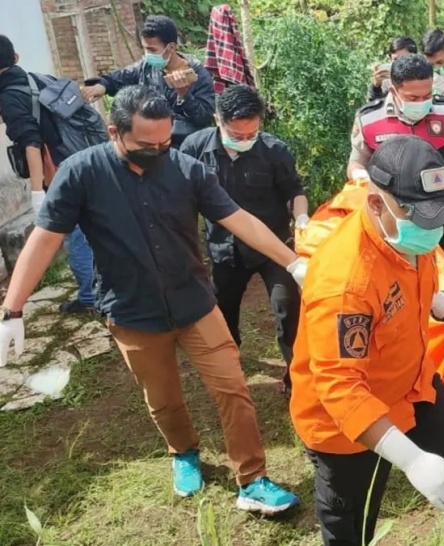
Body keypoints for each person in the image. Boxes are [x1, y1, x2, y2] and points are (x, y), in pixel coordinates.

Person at [0, 85, 306, 513]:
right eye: (146, 145)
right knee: (162, 398)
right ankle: (183, 454)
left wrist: (293, 264)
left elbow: (239, 219)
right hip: (132, 311)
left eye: (165, 142)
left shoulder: (186, 169)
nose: (158, 151)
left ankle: (252, 479)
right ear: (114, 132)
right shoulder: (80, 174)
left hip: (195, 302)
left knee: (233, 387)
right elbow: (45, 239)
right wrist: (13, 308)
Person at [290, 135, 444, 546]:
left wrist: (435, 301)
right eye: (420, 218)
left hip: (412, 383)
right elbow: (341, 387)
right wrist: (413, 460)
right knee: (353, 519)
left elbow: (404, 282)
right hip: (348, 417)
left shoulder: (404, 233)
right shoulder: (345, 284)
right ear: (376, 204)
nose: (432, 231)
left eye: (439, 218)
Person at [180, 84, 306, 396]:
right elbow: (179, 196)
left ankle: (296, 377)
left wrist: (301, 219)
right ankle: (229, 369)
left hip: (274, 247)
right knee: (223, 312)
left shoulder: (274, 151)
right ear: (217, 121)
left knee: (288, 308)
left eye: (252, 134)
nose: (246, 141)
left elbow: (294, 192)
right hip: (226, 249)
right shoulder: (194, 149)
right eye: (237, 135)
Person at [347, 54, 444, 293]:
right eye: (413, 98)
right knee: (401, 279)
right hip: (397, 214)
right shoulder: (369, 119)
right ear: (393, 91)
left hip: (439, 208)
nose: (422, 103)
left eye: (427, 96)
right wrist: (362, 177)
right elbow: (354, 164)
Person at [0, 35, 97, 315]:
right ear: (16, 57)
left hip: (59, 170)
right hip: (82, 156)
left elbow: (31, 143)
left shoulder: (9, 96)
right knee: (90, 226)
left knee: (74, 232)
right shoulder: (35, 80)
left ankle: (90, 297)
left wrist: (37, 193)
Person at [81, 15, 215, 148]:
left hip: (184, 146)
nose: (147, 54)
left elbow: (204, 118)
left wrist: (184, 95)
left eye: (152, 50)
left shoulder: (198, 75)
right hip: (150, 143)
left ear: (171, 47)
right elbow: (119, 78)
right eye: (145, 48)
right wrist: (102, 86)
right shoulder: (146, 67)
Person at [368, 36, 418, 102]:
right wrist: (376, 86)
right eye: (396, 59)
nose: (400, 63)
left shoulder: (426, 77)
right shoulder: (386, 77)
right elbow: (374, 104)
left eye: (404, 59)